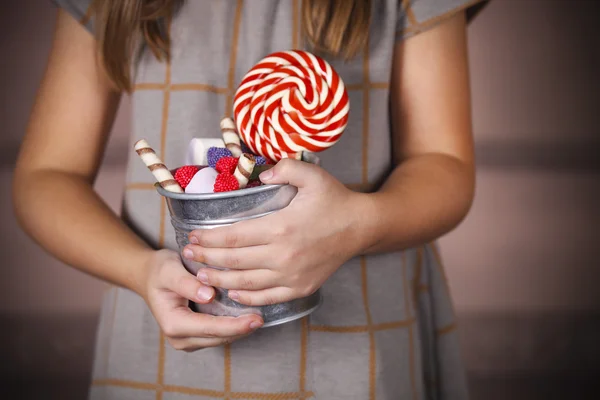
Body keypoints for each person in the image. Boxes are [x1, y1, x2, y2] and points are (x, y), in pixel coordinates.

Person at [13, 0, 488, 398]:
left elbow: (443, 164)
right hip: (158, 354)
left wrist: (360, 222)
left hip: (357, 354)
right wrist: (140, 270)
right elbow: (47, 176)